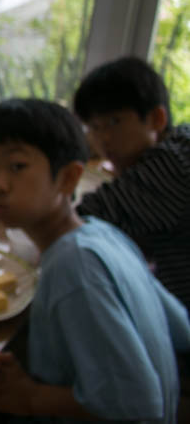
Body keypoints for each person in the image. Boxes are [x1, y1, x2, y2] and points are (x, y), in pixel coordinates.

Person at [0, 99, 189, 422]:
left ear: (68, 178)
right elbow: (180, 326)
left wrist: (30, 397)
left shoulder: (74, 267)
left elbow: (141, 405)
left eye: (17, 166)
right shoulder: (102, 233)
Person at [72, 56, 190, 311]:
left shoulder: (170, 165)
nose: (103, 138)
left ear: (156, 119)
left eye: (115, 122)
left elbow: (80, 226)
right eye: (94, 126)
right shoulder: (181, 142)